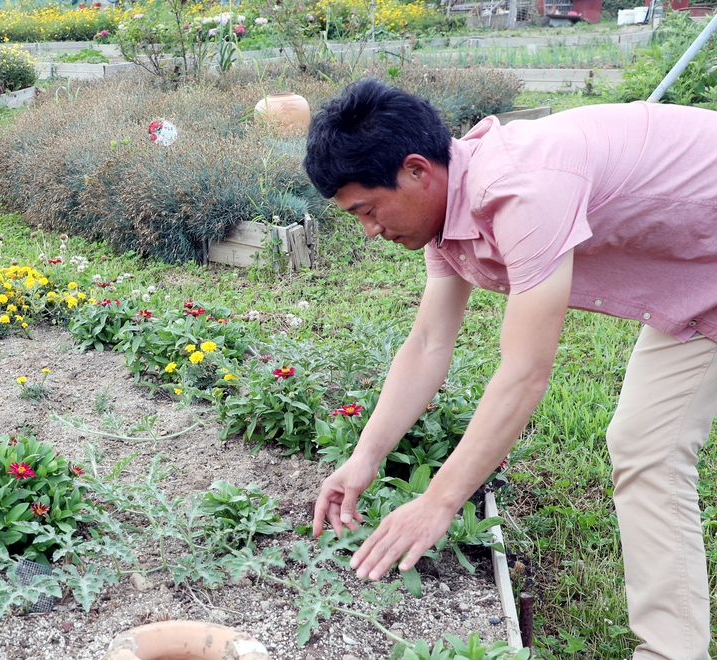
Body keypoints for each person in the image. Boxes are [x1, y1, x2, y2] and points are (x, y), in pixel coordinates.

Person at [303, 78, 717, 660]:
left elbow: (525, 372)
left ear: (418, 171)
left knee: (648, 444)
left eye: (368, 210)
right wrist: (364, 457)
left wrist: (439, 501)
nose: (369, 231)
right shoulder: (447, 217)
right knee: (645, 443)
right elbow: (427, 343)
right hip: (700, 276)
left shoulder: (523, 188)